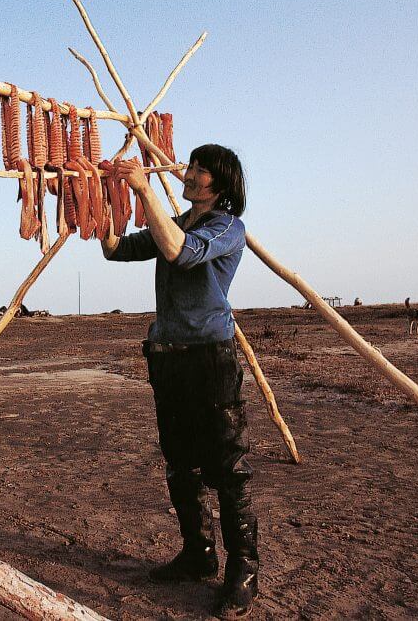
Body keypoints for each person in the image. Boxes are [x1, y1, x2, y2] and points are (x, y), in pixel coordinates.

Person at [102, 144, 257, 619]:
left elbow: (179, 252)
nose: (188, 175)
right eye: (189, 167)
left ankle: (243, 571)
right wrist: (96, 196)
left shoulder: (227, 228)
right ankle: (198, 554)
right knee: (180, 464)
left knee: (227, 469)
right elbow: (116, 250)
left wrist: (143, 187)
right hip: (168, 356)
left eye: (198, 170)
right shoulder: (177, 219)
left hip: (210, 358)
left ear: (220, 183)